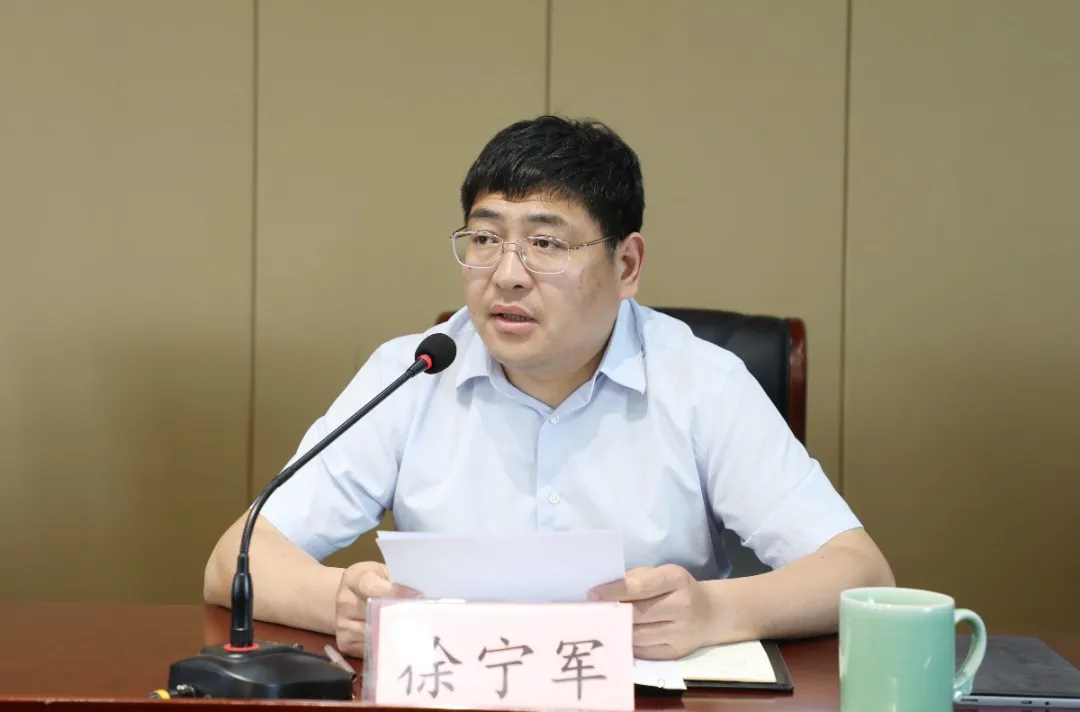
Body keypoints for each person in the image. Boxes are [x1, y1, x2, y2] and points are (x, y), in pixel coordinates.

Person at [204, 115, 894, 660]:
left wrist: (713, 612)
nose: (506, 274)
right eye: (484, 239)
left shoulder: (702, 383)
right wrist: (342, 602)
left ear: (627, 265)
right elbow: (236, 559)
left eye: (546, 244)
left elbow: (860, 573)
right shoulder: (413, 372)